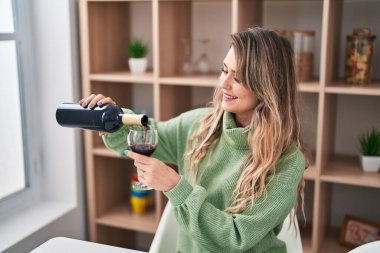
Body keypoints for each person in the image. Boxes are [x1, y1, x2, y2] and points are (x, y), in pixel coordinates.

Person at [80, 27, 307, 253]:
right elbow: (148, 134)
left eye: (238, 78)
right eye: (224, 70)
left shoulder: (287, 162)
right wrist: (116, 119)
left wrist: (175, 186)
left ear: (268, 86)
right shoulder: (201, 126)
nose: (224, 84)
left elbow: (235, 239)